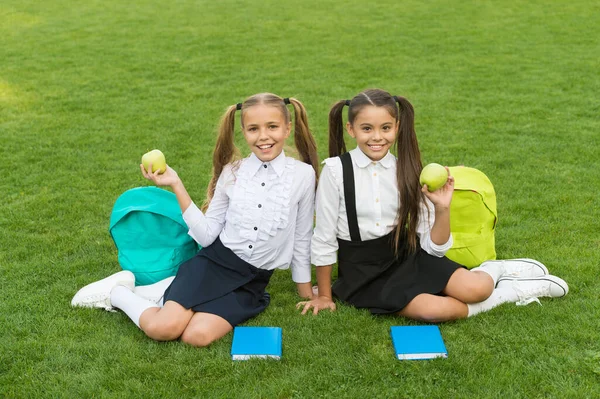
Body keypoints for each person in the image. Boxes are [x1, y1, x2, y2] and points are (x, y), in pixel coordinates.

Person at [298, 88, 568, 321]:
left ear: (397, 127)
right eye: (367, 128)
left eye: (386, 128)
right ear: (351, 129)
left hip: (405, 256)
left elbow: (433, 248)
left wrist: (442, 208)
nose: (377, 137)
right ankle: (509, 292)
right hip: (363, 273)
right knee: (436, 311)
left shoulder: (408, 170)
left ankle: (496, 269)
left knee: (476, 290)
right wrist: (324, 295)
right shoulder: (335, 172)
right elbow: (323, 239)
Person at [72, 93, 318, 346]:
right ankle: (117, 292)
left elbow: (302, 236)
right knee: (163, 329)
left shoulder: (303, 175)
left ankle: (164, 292)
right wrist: (176, 183)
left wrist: (306, 292)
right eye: (253, 129)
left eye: (272, 127)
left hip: (253, 281)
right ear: (243, 132)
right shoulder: (232, 172)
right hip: (214, 265)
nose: (263, 136)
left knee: (195, 337)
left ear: (287, 128)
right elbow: (207, 235)